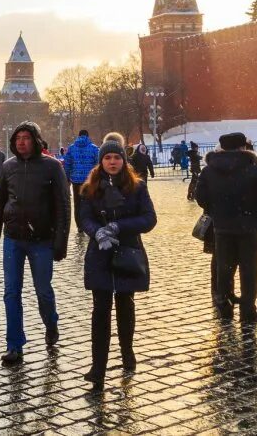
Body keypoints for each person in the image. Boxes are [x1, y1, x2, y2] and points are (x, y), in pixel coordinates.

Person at [0, 122, 71, 367]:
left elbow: (63, 206)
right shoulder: (8, 166)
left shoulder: (52, 167)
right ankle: (15, 345)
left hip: (41, 240)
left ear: (35, 140)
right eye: (18, 138)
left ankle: (51, 322)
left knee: (43, 290)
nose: (22, 142)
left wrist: (60, 242)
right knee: (11, 292)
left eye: (26, 137)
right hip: (13, 239)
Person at [77, 138, 157, 389]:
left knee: (125, 303)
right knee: (100, 310)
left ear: (124, 161)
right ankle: (98, 367)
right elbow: (84, 218)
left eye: (117, 158)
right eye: (108, 158)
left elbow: (149, 218)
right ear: (101, 162)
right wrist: (97, 232)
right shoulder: (89, 188)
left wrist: (119, 226)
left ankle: (127, 351)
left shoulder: (137, 187)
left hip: (127, 252)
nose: (112, 162)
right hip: (100, 254)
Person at [194, 132, 257, 321]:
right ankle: (248, 310)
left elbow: (201, 197)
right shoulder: (252, 169)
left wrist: (216, 209)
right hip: (248, 227)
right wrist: (256, 210)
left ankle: (224, 306)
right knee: (249, 270)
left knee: (224, 268)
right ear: (242, 147)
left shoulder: (209, 170)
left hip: (221, 227)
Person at [63, 129, 99, 229]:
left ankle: (79, 226)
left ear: (78, 136)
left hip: (76, 181)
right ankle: (90, 225)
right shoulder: (94, 148)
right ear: (88, 136)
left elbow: (67, 164)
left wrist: (67, 178)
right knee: (91, 202)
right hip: (90, 181)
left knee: (77, 204)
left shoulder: (71, 148)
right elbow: (98, 165)